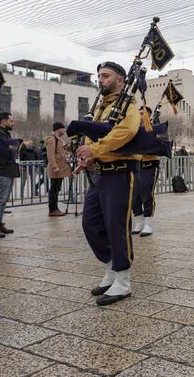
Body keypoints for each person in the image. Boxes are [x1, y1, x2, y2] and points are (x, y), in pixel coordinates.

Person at [78, 61, 140, 305]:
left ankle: (123, 282)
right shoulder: (101, 107)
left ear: (120, 80)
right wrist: (85, 156)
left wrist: (95, 149)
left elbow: (125, 132)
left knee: (117, 226)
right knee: (91, 224)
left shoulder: (129, 105)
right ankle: (111, 268)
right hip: (99, 174)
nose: (100, 80)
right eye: (99, 76)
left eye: (105, 76)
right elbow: (92, 133)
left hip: (120, 172)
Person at [132, 106, 159, 237]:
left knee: (146, 193)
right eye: (139, 113)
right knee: (134, 194)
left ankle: (148, 222)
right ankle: (139, 220)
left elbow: (158, 145)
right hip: (135, 166)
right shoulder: (133, 128)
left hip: (149, 165)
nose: (140, 115)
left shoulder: (153, 129)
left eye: (143, 113)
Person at [44, 123, 71, 217]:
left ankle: (55, 208)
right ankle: (52, 209)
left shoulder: (60, 139)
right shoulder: (51, 139)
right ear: (58, 129)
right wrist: (54, 166)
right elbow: (50, 155)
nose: (64, 130)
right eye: (63, 128)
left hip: (61, 168)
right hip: (56, 169)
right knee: (54, 189)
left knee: (56, 189)